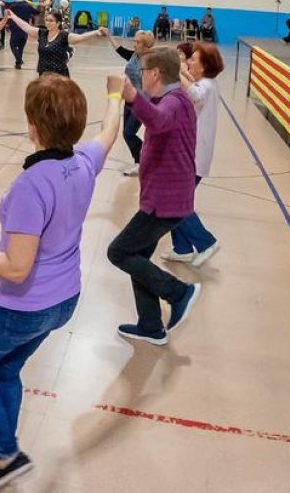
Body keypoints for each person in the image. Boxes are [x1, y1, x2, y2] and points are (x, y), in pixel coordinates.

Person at [0, 73, 123, 489]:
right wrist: (116, 94)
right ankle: (1, 452)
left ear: (33, 126)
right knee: (7, 367)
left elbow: (16, 268)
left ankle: (7, 452)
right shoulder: (83, 162)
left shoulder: (31, 186)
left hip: (23, 306)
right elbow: (110, 131)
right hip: (65, 299)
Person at [111, 46, 202, 345]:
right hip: (163, 198)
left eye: (142, 72)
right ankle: (151, 325)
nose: (140, 77)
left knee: (119, 252)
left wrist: (132, 97)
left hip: (164, 201)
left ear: (154, 74)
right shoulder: (174, 100)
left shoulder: (173, 103)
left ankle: (178, 292)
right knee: (137, 257)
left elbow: (158, 120)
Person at [166, 43, 224, 267]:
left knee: (175, 200)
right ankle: (182, 248)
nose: (189, 62)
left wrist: (177, 71)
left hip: (193, 154)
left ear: (205, 66)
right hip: (193, 152)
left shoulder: (206, 86)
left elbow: (194, 94)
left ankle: (205, 242)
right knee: (176, 199)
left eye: (194, 60)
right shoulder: (207, 83)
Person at [4, 10, 107, 77]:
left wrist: (96, 32)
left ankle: (68, 53)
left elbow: (80, 38)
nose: (48, 23)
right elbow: (26, 27)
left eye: (51, 21)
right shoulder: (41, 33)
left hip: (59, 76)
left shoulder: (64, 36)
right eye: (47, 20)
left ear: (58, 23)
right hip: (43, 75)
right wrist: (13, 16)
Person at [109, 30, 155, 177]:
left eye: (138, 42)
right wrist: (108, 36)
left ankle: (143, 161)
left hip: (142, 102)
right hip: (129, 99)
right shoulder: (134, 55)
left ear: (146, 46)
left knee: (129, 133)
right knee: (126, 133)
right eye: (134, 41)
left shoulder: (151, 62)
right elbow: (120, 50)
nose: (134, 44)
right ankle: (143, 160)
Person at [5, 0, 36, 69]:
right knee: (21, 47)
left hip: (15, 28)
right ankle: (18, 63)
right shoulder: (27, 6)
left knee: (12, 45)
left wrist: (7, 24)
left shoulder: (12, 6)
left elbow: (8, 15)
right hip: (25, 28)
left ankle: (19, 60)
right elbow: (36, 12)